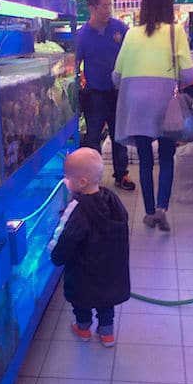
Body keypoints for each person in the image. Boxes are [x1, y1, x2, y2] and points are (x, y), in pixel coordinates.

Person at [112, 0, 193, 231]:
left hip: (136, 105)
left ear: (144, 6)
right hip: (165, 106)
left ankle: (148, 213)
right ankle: (162, 209)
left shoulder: (131, 34)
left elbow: (116, 77)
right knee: (167, 157)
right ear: (169, 6)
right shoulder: (175, 32)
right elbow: (189, 76)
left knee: (146, 160)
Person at [48, 147, 130, 347]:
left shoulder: (77, 208)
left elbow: (66, 236)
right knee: (106, 301)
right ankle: (107, 333)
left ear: (81, 182)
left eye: (67, 177)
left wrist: (55, 255)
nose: (65, 181)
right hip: (110, 269)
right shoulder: (113, 201)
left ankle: (83, 328)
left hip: (83, 270)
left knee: (82, 301)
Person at [75, 0, 136, 191]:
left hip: (118, 92)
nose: (108, 9)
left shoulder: (119, 29)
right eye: (104, 6)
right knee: (92, 138)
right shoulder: (82, 36)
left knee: (119, 135)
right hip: (95, 95)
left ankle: (121, 175)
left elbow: (132, 55)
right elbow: (74, 65)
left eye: (110, 5)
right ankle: (94, 179)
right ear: (92, 8)